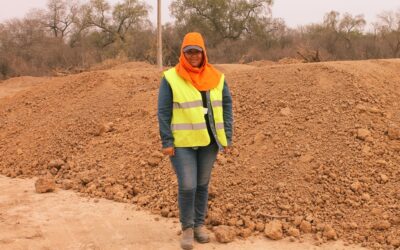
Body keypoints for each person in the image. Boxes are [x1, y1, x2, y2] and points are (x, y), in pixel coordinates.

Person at [157, 32, 233, 250]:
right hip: (182, 143)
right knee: (188, 185)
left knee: (202, 184)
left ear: (203, 53)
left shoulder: (217, 78)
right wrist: (167, 141)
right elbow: (163, 112)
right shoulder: (171, 78)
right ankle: (187, 227)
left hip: (209, 141)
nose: (193, 56)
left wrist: (226, 136)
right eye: (188, 51)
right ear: (183, 53)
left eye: (196, 51)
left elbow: (227, 107)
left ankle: (199, 225)